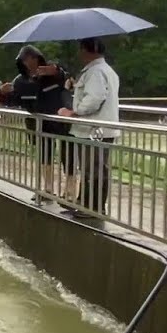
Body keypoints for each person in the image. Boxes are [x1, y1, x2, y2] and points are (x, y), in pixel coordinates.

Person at [0, 44, 75, 204]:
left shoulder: (52, 73)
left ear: (37, 57)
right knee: (44, 155)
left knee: (68, 154)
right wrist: (2, 93)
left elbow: (66, 78)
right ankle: (47, 188)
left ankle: (70, 190)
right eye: (24, 60)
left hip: (60, 120)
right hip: (37, 122)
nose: (28, 62)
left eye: (31, 58)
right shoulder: (20, 81)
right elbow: (12, 101)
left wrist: (56, 70)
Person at [58, 37, 120, 219]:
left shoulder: (96, 72)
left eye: (81, 49)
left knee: (93, 169)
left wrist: (75, 112)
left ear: (88, 50)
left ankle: (93, 207)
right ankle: (85, 202)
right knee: (92, 168)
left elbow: (94, 98)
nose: (79, 54)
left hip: (94, 130)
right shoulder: (103, 70)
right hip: (98, 128)